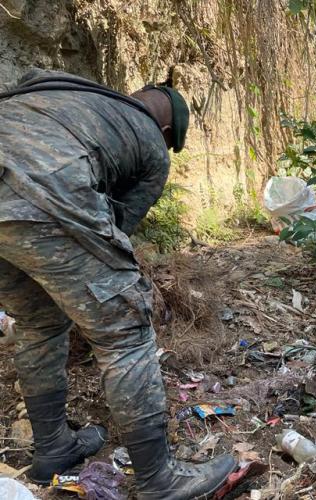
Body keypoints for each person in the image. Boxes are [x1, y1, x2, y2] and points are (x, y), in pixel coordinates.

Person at [0, 69, 235, 499]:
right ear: (167, 131)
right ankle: (158, 481)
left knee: (38, 320)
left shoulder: (78, 99)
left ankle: (53, 447)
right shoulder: (151, 144)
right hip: (43, 187)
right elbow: (117, 227)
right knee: (123, 328)